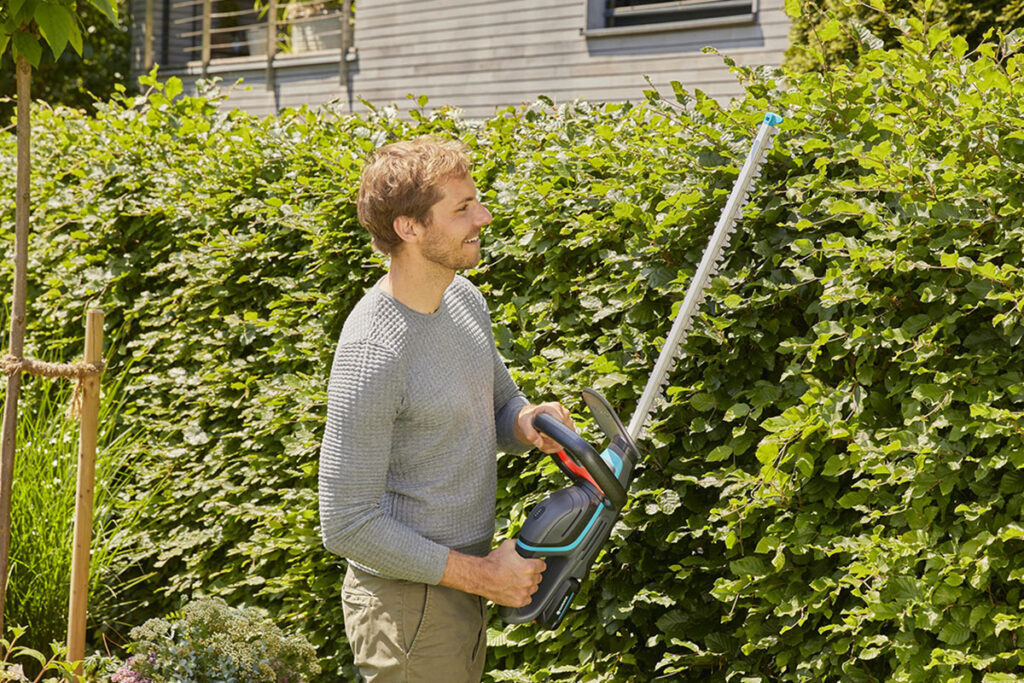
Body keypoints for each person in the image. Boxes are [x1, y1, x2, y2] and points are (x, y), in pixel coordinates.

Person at [319, 136, 575, 682]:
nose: (482, 216)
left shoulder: (462, 299)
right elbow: (345, 523)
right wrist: (483, 576)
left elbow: (500, 402)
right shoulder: (374, 348)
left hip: (458, 586)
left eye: (475, 201)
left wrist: (529, 423)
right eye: (462, 208)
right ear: (409, 228)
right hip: (408, 604)